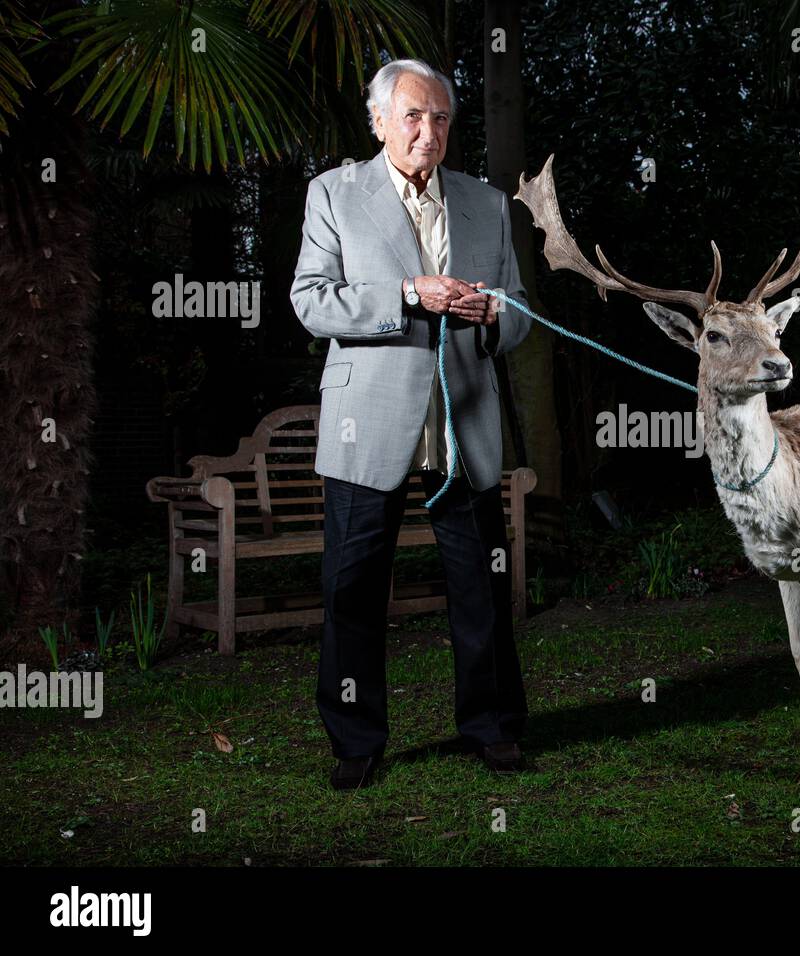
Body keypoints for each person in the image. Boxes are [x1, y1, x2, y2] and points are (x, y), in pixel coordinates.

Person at [290, 58, 533, 790]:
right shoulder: (333, 194)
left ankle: (491, 727)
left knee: (481, 588)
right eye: (412, 117)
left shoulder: (486, 203)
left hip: (465, 427)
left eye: (440, 118)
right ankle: (356, 742)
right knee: (353, 589)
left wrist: (495, 313)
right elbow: (312, 301)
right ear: (379, 122)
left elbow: (520, 308)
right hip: (369, 430)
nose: (428, 131)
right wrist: (407, 294)